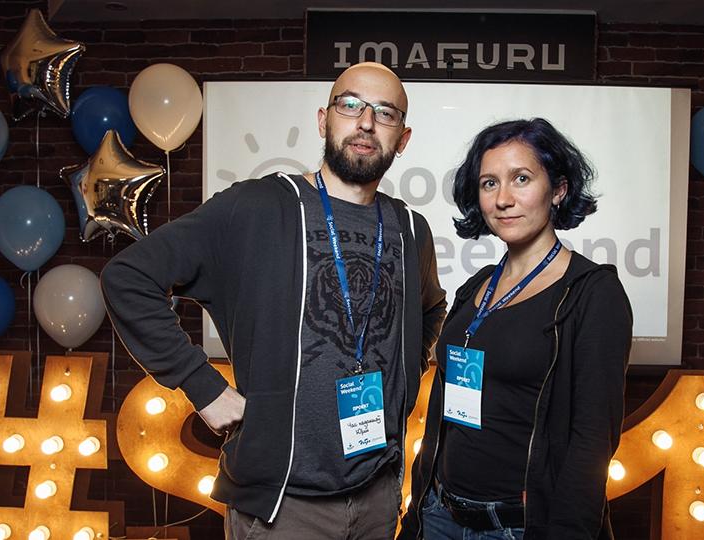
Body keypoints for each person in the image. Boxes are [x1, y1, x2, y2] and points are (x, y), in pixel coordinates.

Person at [101, 62, 446, 539]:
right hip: (283, 507)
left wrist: (399, 387)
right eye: (351, 105)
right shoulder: (257, 207)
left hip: (378, 497)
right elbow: (128, 277)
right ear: (324, 120)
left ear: (402, 138)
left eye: (385, 113)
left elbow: (431, 309)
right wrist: (202, 386)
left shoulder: (411, 229)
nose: (366, 122)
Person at [399, 118, 632, 540]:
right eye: (489, 183)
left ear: (558, 189)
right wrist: (420, 506)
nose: (503, 199)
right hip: (440, 515)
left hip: (517, 527)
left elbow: (591, 442)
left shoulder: (593, 293)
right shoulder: (478, 285)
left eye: (521, 178)